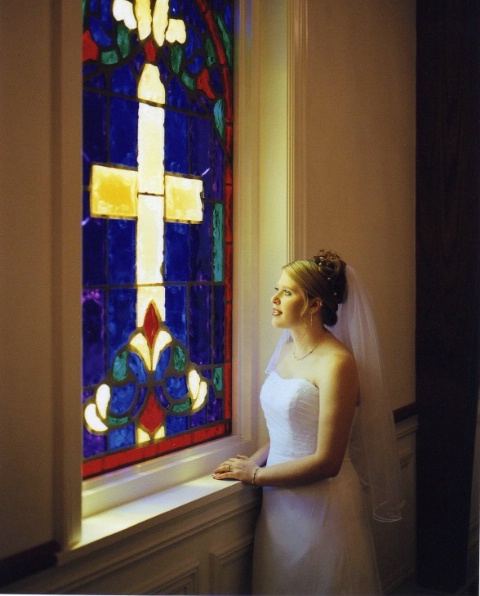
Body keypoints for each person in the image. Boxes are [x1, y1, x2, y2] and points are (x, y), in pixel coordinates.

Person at [213, 249, 404, 595]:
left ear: (315, 304)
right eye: (277, 289)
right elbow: (288, 430)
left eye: (287, 292)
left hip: (323, 508)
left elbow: (328, 462)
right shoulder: (286, 349)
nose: (274, 298)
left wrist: (255, 475)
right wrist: (251, 461)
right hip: (278, 506)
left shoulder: (338, 364)